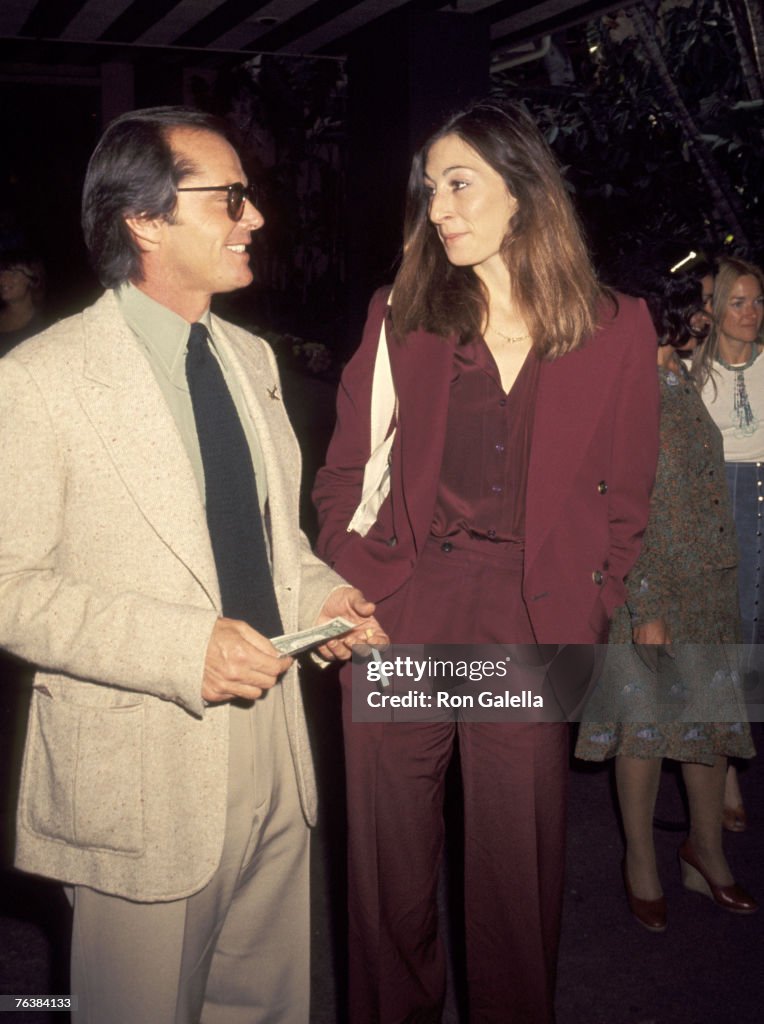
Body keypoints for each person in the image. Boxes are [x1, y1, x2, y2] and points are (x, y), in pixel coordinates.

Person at [0, 106, 386, 1024]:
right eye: (231, 199)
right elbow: (8, 586)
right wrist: (185, 650)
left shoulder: (250, 357)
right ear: (146, 220)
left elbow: (269, 539)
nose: (255, 219)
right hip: (141, 763)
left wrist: (325, 593)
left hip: (275, 745)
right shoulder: (39, 379)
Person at [313, 100, 659, 1023]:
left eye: (459, 184)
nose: (438, 208)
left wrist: (592, 606)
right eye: (431, 189)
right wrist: (352, 584)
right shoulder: (401, 316)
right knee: (389, 872)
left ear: (524, 191)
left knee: (516, 873)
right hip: (407, 611)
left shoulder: (617, 328)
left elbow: (628, 499)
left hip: (528, 626)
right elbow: (347, 468)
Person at [576, 272, 757, 931]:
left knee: (703, 724)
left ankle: (704, 854)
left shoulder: (679, 377)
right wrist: (645, 598)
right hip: (649, 584)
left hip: (706, 584)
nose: (707, 315)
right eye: (701, 304)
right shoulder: (629, 387)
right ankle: (642, 862)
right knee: (644, 730)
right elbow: (621, 499)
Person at [694, 256, 764, 832]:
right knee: (724, 638)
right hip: (714, 512)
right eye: (737, 302)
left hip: (762, 506)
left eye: (757, 301)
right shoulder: (691, 373)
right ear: (714, 312)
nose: (750, 313)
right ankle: (729, 770)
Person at [0, 249, 46, 355]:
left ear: (32, 280)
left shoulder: (46, 321)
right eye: (1, 272)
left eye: (14, 273)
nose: (2, 279)